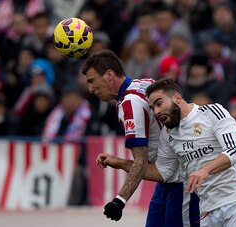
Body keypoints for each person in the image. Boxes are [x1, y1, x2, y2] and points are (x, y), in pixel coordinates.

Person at [97, 79, 236, 227]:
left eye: (159, 103)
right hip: (207, 212)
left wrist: (204, 170)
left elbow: (234, 151)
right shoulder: (168, 135)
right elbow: (162, 173)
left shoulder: (212, 112)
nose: (156, 111)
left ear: (177, 98)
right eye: (152, 107)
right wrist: (119, 163)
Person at [81, 50, 199, 226]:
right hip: (167, 178)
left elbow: (141, 160)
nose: (90, 89)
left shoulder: (130, 102)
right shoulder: (144, 84)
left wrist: (120, 200)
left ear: (109, 75)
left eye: (92, 81)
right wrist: (119, 162)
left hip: (181, 182)